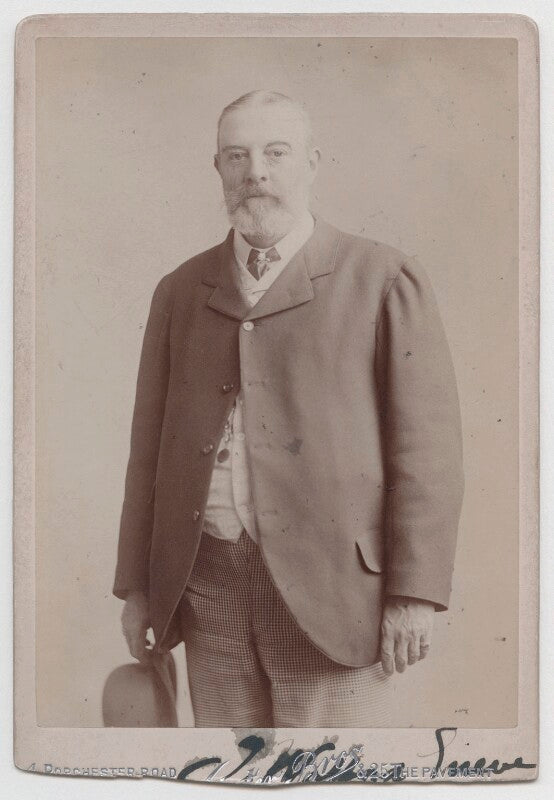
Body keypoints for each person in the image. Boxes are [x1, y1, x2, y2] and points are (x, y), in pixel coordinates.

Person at [114, 89, 464, 727]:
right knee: (231, 770)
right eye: (237, 156)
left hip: (334, 594)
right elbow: (148, 453)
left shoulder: (382, 277)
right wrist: (137, 587)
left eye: (275, 153)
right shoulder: (180, 290)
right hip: (208, 588)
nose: (256, 172)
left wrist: (414, 594)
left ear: (312, 163)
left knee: (325, 773)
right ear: (217, 168)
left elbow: (427, 456)